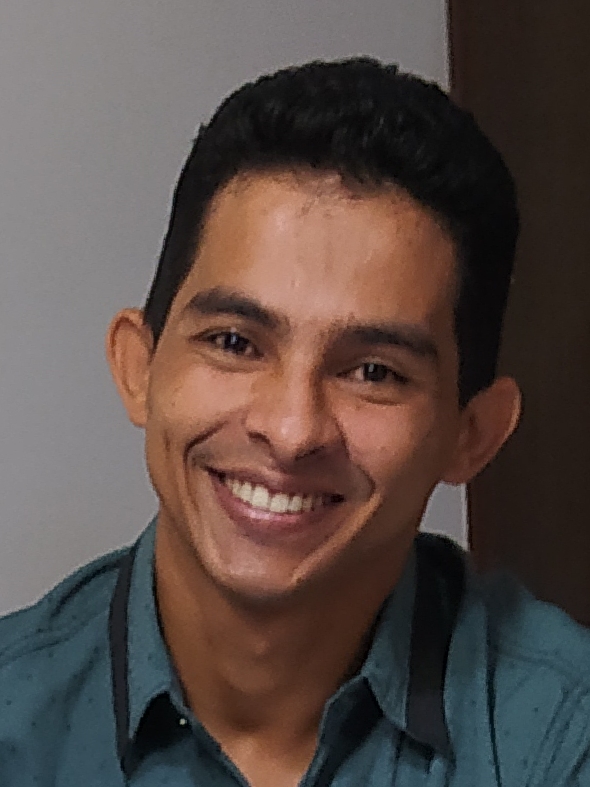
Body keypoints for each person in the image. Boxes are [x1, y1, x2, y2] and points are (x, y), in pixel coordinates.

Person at [1, 57, 589, 787]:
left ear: (472, 434)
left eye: (373, 372)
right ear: (139, 367)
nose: (290, 429)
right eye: (234, 342)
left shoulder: (560, 738)